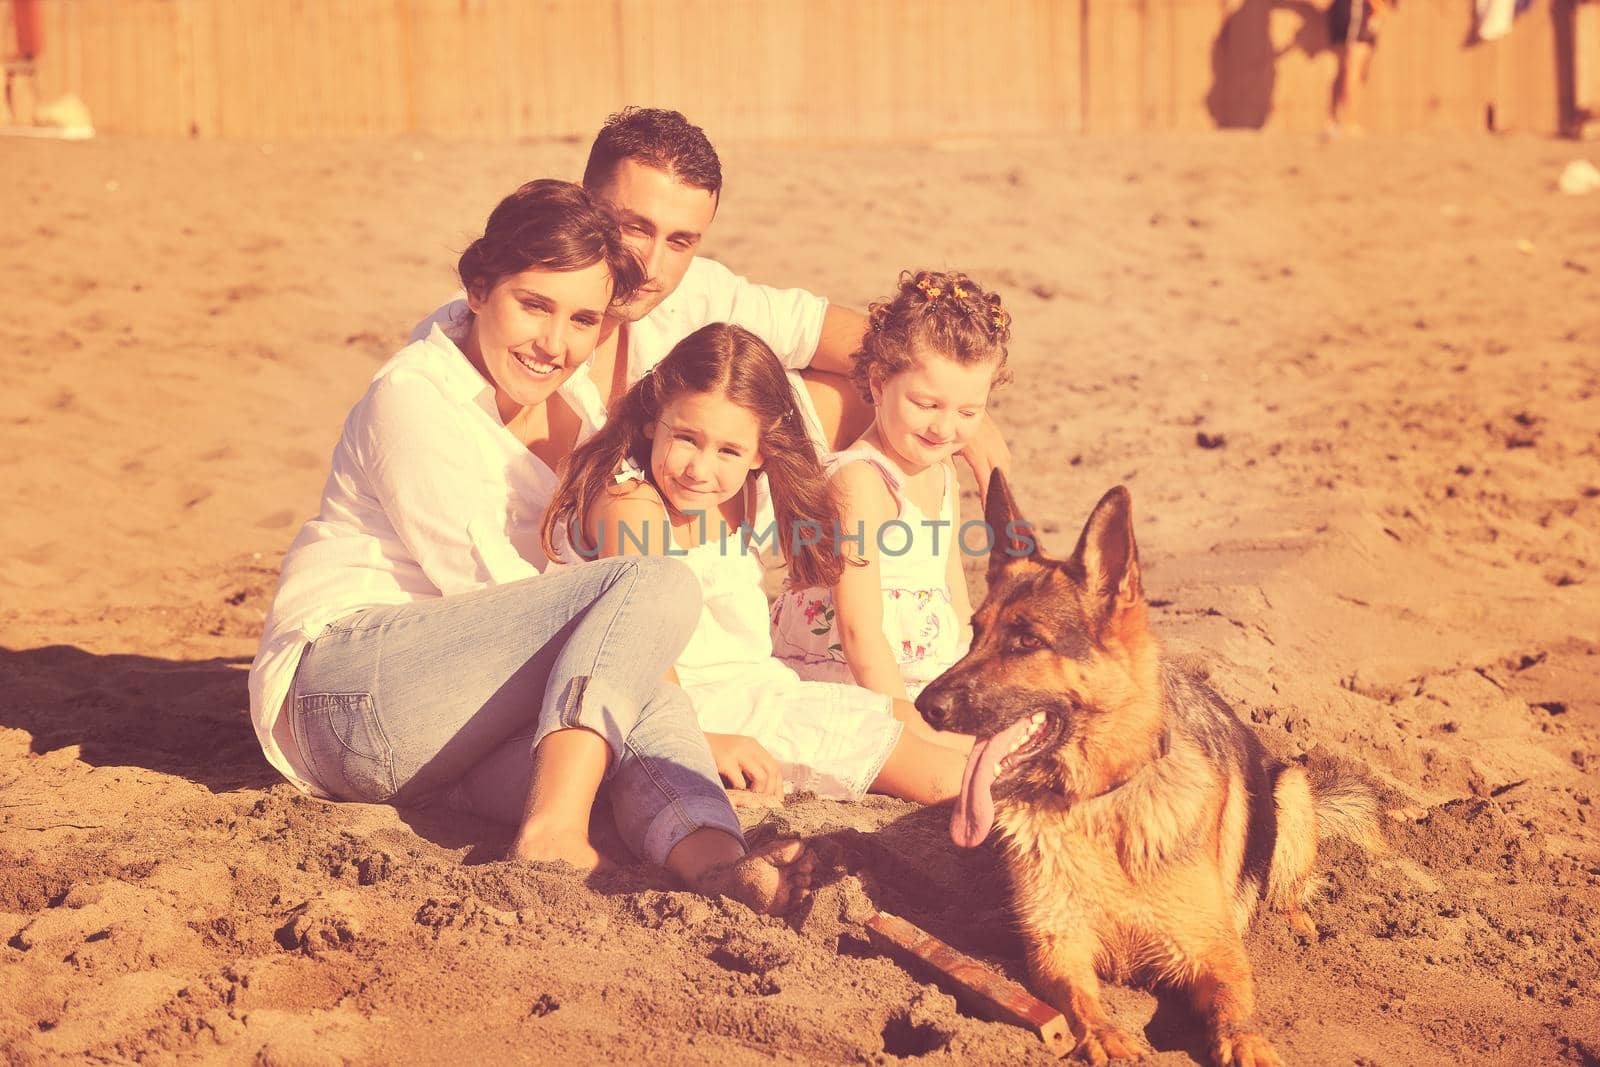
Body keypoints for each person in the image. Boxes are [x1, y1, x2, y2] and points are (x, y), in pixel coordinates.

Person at [248, 180, 812, 914]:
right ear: (479, 286)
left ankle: (720, 864)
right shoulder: (415, 398)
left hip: (454, 737)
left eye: (583, 319)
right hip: (350, 693)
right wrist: (691, 718)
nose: (555, 343)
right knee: (654, 585)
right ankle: (551, 831)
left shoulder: (573, 406)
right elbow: (487, 590)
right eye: (534, 305)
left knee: (619, 737)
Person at [412, 107, 1011, 490]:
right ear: (580, 200)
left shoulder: (697, 289)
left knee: (860, 403)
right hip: (560, 554)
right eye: (635, 226)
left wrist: (950, 406)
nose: (650, 265)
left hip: (684, 519)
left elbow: (838, 332)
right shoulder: (499, 324)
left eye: (680, 240)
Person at [542, 323, 968, 804]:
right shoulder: (630, 502)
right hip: (689, 714)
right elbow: (643, 650)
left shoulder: (738, 492)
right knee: (935, 774)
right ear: (650, 420)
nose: (700, 469)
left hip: (758, 694)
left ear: (761, 451)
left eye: (729, 450)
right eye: (685, 437)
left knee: (934, 739)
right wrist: (700, 745)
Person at [772, 271, 1011, 703]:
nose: (944, 428)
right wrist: (909, 726)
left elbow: (951, 586)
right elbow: (858, 633)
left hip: (925, 676)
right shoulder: (861, 481)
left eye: (969, 411)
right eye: (926, 404)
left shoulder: (941, 472)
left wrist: (962, 673)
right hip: (857, 684)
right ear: (880, 382)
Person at [1328, 0, 1390, 135]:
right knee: (1352, 70)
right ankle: (1347, 121)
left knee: (1349, 69)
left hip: (1356, 15)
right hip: (1357, 15)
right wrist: (1378, 12)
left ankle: (1335, 119)